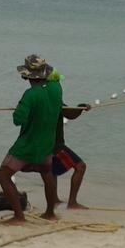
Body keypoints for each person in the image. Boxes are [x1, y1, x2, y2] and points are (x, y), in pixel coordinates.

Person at [0, 55, 63, 225]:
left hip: (28, 144)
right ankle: (50, 213)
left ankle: (19, 216)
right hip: (47, 143)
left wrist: (19, 108)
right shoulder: (56, 87)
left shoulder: (30, 95)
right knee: (47, 173)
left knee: (3, 175)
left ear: (26, 75)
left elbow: (18, 119)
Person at [48, 70, 92, 209]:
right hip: (56, 145)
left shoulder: (43, 97)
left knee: (52, 170)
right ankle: (72, 202)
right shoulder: (54, 98)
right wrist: (82, 107)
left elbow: (67, 111)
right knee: (80, 166)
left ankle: (54, 200)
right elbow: (70, 113)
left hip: (45, 143)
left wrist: (80, 107)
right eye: (58, 82)